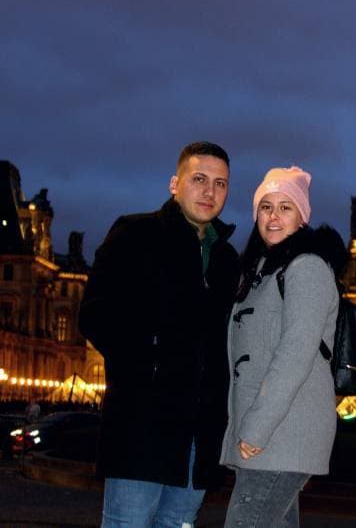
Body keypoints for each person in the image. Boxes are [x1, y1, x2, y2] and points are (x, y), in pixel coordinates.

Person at [79, 141, 240, 527]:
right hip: (143, 425)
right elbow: (94, 314)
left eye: (220, 184)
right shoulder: (135, 233)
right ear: (174, 183)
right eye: (199, 179)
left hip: (200, 437)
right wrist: (148, 365)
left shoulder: (228, 260)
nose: (209, 191)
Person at [221, 166, 344, 527]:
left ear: (302, 217)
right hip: (270, 432)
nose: (273, 216)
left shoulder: (307, 268)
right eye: (266, 207)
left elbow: (295, 353)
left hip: (281, 432)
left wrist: (257, 427)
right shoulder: (263, 270)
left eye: (285, 207)